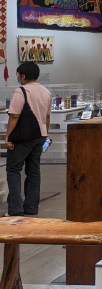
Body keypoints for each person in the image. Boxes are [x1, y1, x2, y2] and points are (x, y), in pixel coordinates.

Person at [4, 61, 52, 216]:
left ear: (23, 76)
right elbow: (47, 117)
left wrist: (7, 136)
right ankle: (31, 207)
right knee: (34, 171)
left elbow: (14, 116)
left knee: (13, 170)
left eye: (18, 75)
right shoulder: (46, 92)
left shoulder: (20, 91)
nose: (18, 77)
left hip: (22, 137)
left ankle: (15, 208)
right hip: (40, 136)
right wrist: (45, 134)